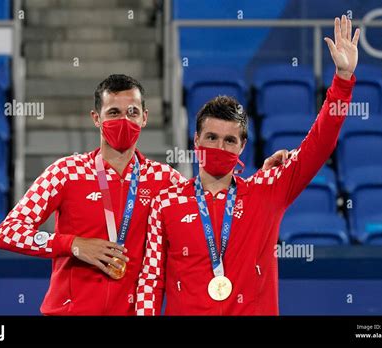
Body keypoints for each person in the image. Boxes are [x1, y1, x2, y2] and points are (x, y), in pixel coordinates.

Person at [0, 74, 289, 315]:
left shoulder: (166, 180)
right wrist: (72, 244)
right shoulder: (66, 172)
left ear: (145, 118)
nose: (124, 120)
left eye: (132, 112)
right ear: (96, 118)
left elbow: (211, 201)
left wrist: (259, 178)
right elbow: (8, 233)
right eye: (113, 112)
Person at [136, 15, 360, 315]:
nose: (219, 146)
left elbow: (320, 145)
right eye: (211, 137)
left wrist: (342, 81)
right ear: (196, 141)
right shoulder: (166, 203)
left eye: (230, 141)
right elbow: (150, 281)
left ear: (243, 146)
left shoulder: (267, 191)